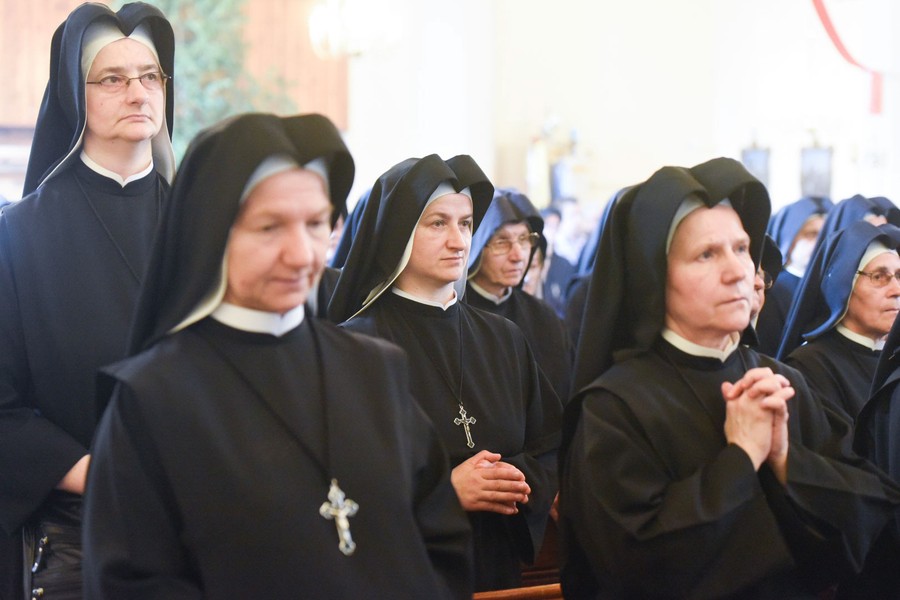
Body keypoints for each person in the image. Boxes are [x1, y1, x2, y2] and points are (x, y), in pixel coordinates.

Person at [82, 113, 473, 599]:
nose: (301, 254)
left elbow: (441, 542)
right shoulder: (152, 399)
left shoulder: (377, 369)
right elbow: (133, 583)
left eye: (314, 224)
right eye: (270, 227)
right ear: (212, 232)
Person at [559, 157, 900, 598]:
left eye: (741, 249)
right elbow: (633, 567)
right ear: (655, 275)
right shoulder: (613, 407)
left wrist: (784, 460)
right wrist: (740, 458)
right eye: (707, 254)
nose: (738, 271)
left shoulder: (780, 381)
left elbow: (874, 512)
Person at [0, 4, 175, 598]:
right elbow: (3, 409)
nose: (137, 92)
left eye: (150, 75)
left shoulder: (210, 230)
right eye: (113, 78)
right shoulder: (17, 236)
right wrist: (106, 474)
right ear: (76, 95)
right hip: (81, 545)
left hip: (206, 532)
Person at [328, 154, 562, 591]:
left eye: (467, 224)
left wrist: (518, 480)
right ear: (397, 230)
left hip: (499, 570)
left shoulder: (504, 338)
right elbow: (340, 485)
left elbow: (547, 443)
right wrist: (445, 492)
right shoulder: (353, 348)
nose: (458, 241)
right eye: (438, 223)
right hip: (405, 576)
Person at [777, 222, 900, 421]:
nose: (896, 290)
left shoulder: (894, 357)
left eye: (899, 276)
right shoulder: (810, 366)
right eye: (879, 277)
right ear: (842, 287)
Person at [466, 187, 574, 404]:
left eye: (524, 240)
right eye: (502, 242)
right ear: (476, 247)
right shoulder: (454, 313)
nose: (518, 256)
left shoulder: (543, 316)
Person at [755, 196, 831, 355]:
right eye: (811, 234)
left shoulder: (832, 287)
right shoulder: (772, 288)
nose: (818, 243)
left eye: (824, 235)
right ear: (789, 237)